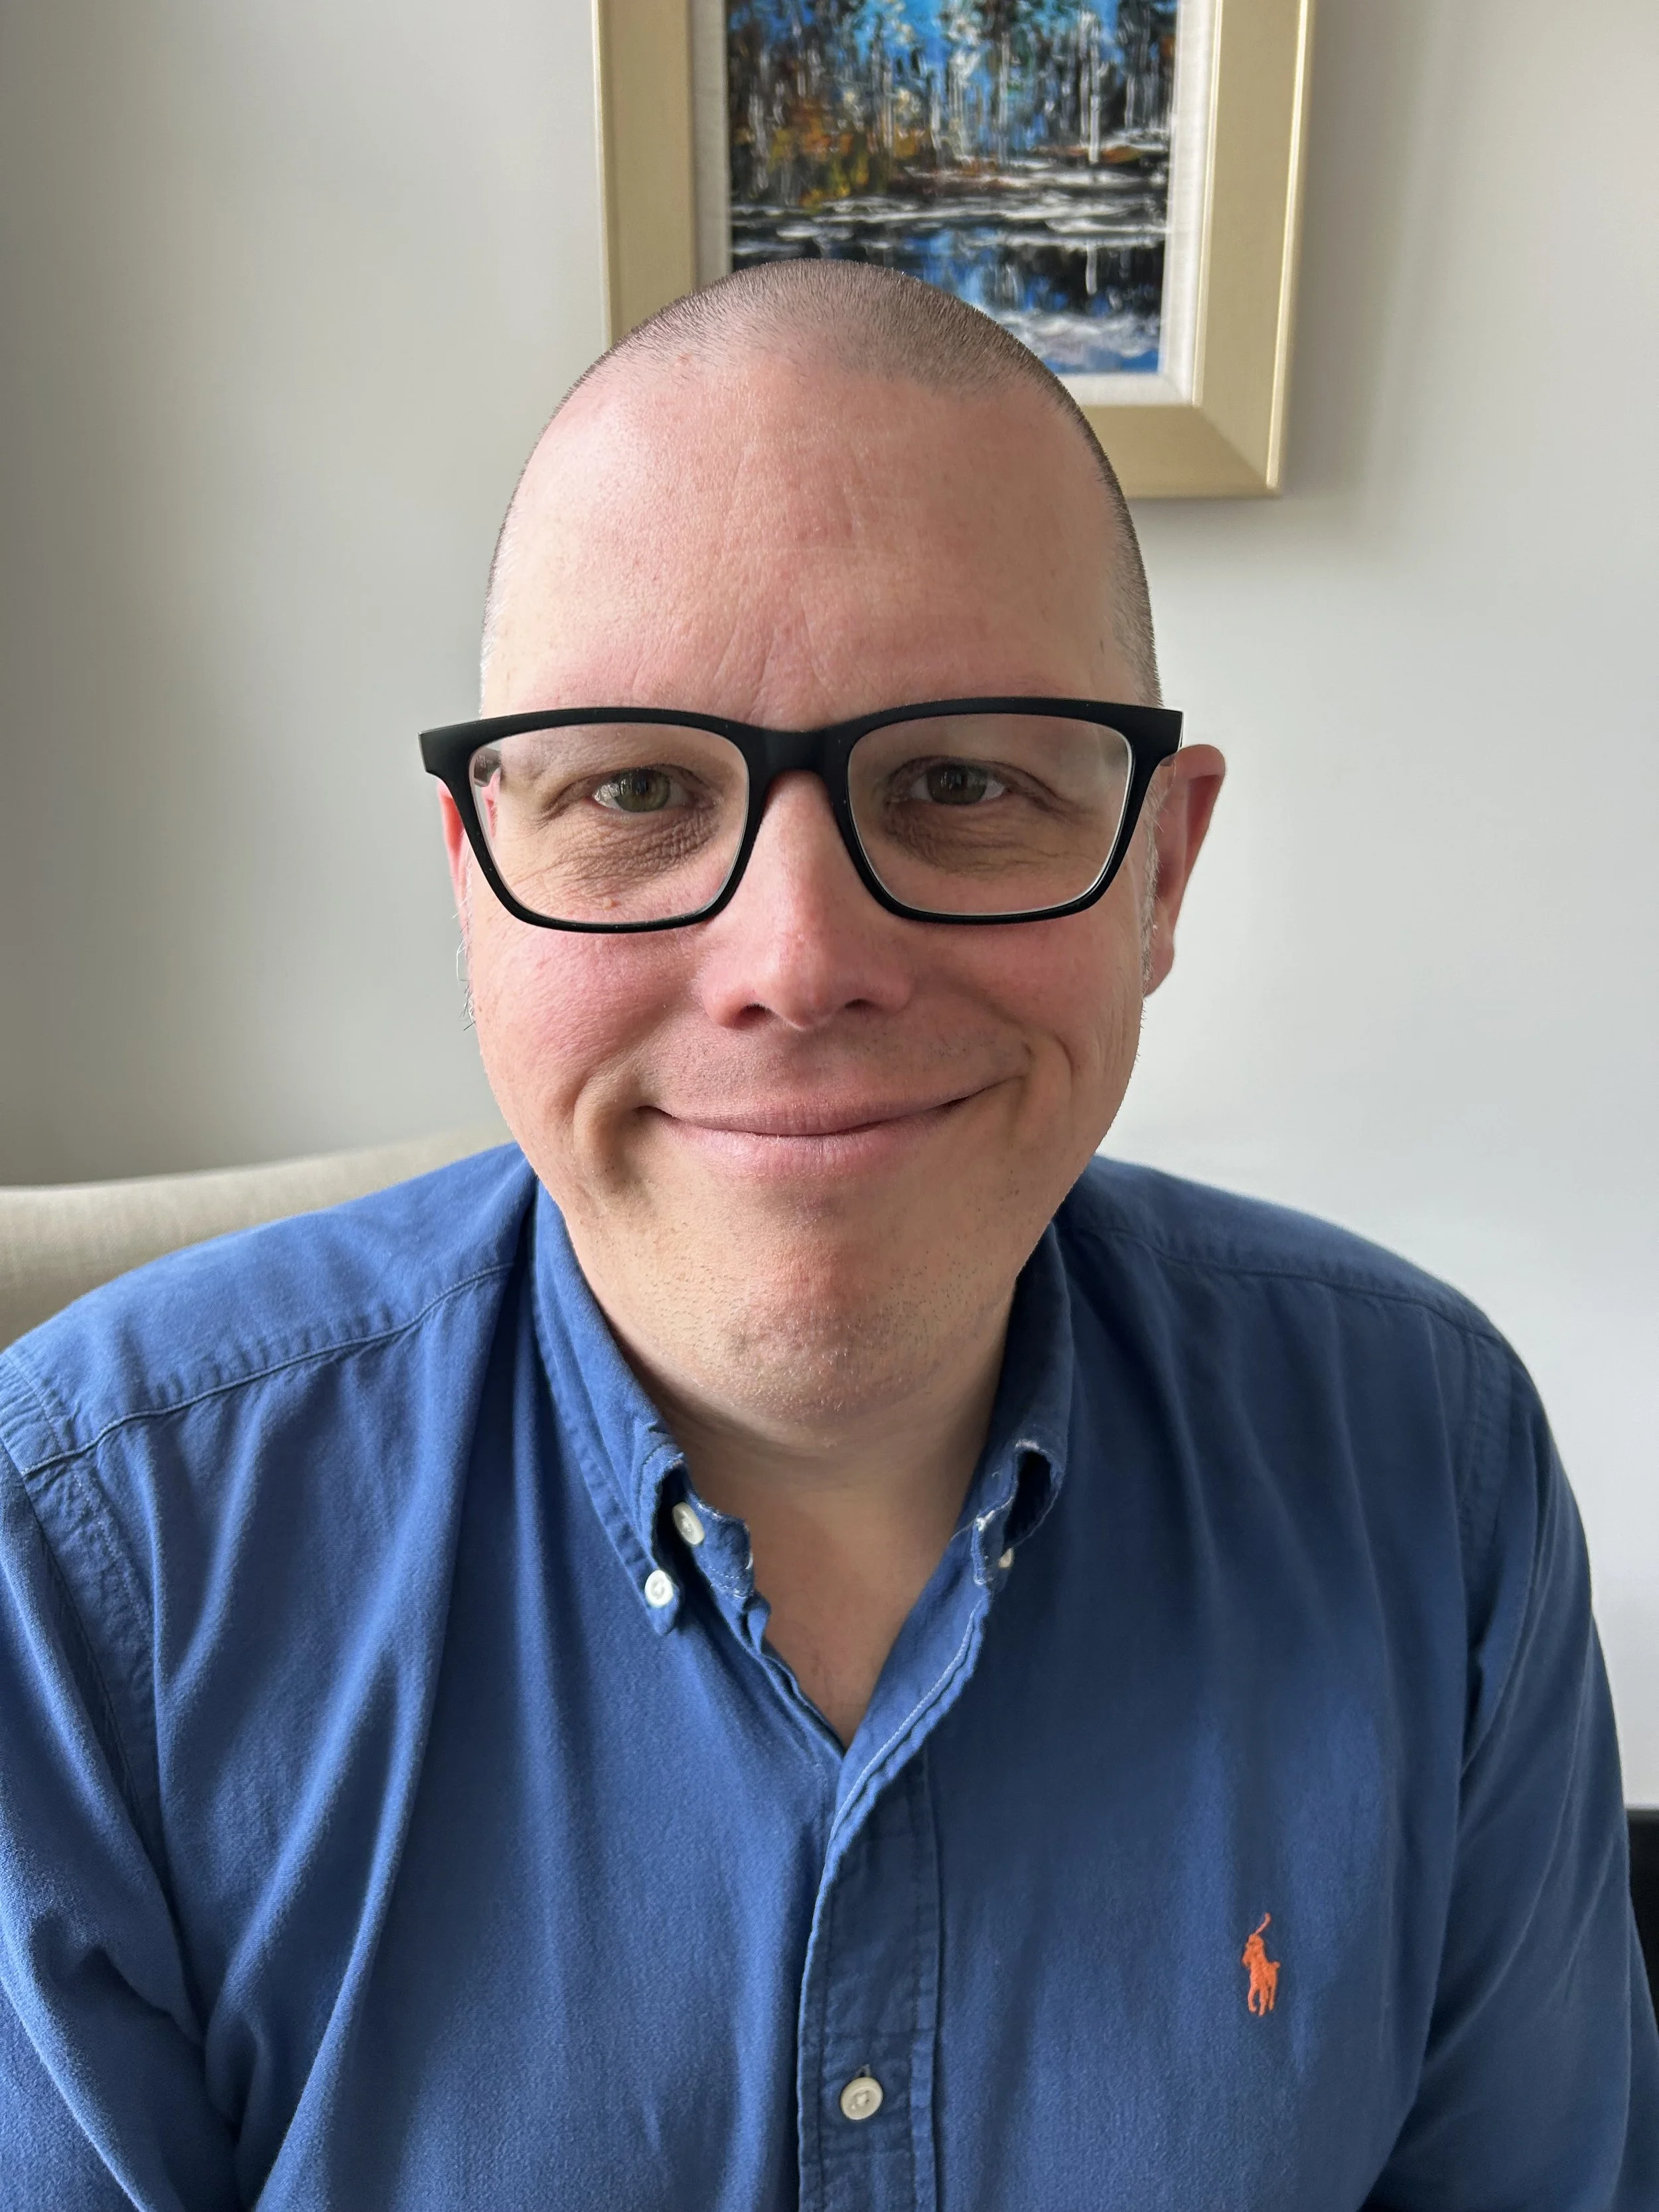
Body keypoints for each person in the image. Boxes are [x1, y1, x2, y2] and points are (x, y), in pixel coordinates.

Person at [0, 263, 1652, 2212]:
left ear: (1161, 868)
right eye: (633, 787)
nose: (794, 959)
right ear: (477, 880)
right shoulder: (83, 1565)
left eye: (959, 782)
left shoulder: (1424, 1469)